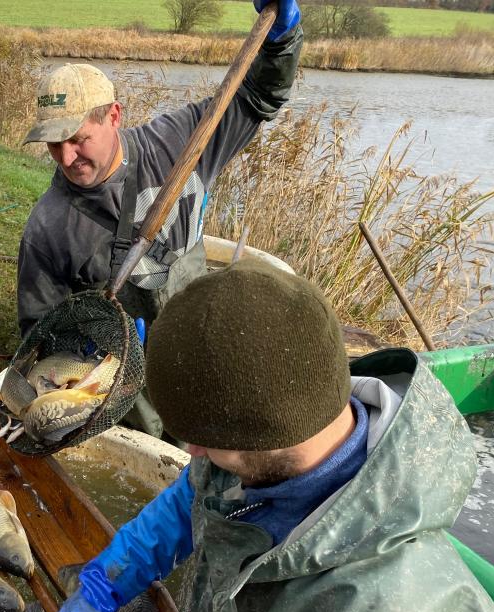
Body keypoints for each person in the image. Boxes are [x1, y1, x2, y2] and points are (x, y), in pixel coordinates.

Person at [33, 259, 494, 612]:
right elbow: (193, 500)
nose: (194, 453)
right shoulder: (272, 445)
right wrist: (104, 587)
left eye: (206, 441)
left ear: (268, 433)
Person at [15, 0, 303, 437]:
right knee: (152, 451)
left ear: (113, 116)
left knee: (210, 440)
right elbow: (38, 335)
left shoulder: (176, 143)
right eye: (54, 145)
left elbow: (259, 97)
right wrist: (93, 349)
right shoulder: (47, 228)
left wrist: (281, 43)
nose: (67, 158)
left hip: (199, 341)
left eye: (78, 140)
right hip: (126, 387)